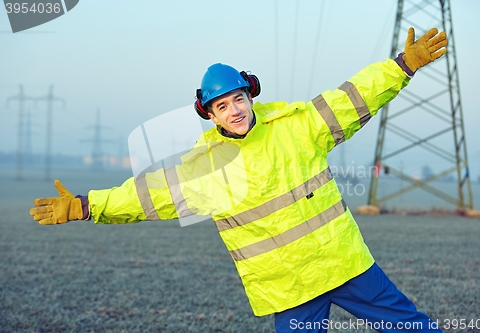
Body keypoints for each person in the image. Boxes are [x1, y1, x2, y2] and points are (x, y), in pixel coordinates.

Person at [30, 27, 448, 333]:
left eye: (238, 99)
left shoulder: (298, 126)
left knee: (413, 329)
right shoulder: (203, 168)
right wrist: (85, 206)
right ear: (209, 115)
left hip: (346, 266)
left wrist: (403, 66)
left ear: (251, 97)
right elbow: (145, 195)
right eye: (222, 105)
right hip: (290, 290)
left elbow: (353, 97)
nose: (234, 110)